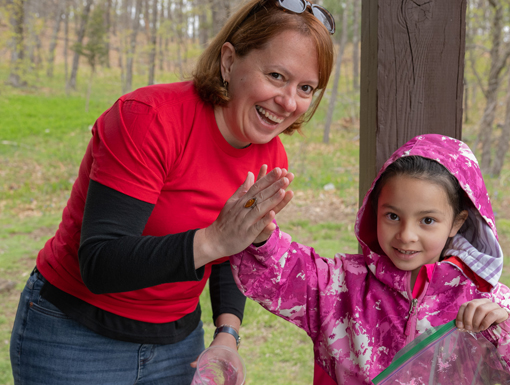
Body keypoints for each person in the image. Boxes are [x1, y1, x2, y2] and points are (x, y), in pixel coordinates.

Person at [9, 0, 335, 383]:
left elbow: (235, 248)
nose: (288, 101)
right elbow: (99, 263)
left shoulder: (270, 153)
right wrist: (214, 239)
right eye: (277, 75)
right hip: (75, 336)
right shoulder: (149, 119)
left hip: (178, 344)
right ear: (229, 62)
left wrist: (227, 334)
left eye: (306, 87)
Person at [229, 134, 510, 384]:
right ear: (374, 211)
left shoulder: (486, 302)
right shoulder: (340, 286)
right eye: (392, 216)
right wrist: (261, 237)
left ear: (457, 222)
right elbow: (287, 273)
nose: (406, 235)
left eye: (427, 220)